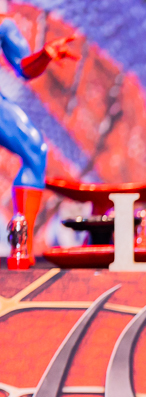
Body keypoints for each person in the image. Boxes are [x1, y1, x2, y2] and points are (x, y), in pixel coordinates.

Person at [0, 6, 78, 264]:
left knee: (35, 150)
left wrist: (44, 55)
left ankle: (23, 247)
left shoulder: (3, 25)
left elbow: (25, 68)